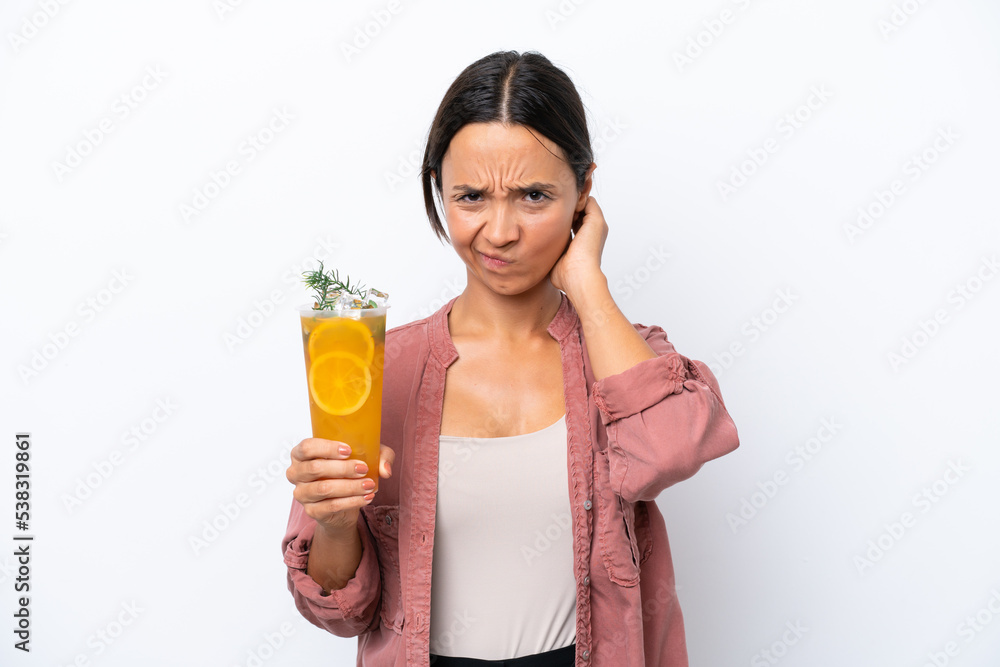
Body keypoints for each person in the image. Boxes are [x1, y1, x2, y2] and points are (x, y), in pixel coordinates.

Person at [282, 50, 740, 667]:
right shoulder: (377, 372)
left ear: (584, 193)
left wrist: (589, 285)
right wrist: (334, 523)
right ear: (438, 191)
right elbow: (341, 611)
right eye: (470, 195)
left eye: (533, 195)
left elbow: (669, 452)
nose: (499, 232)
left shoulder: (622, 356)